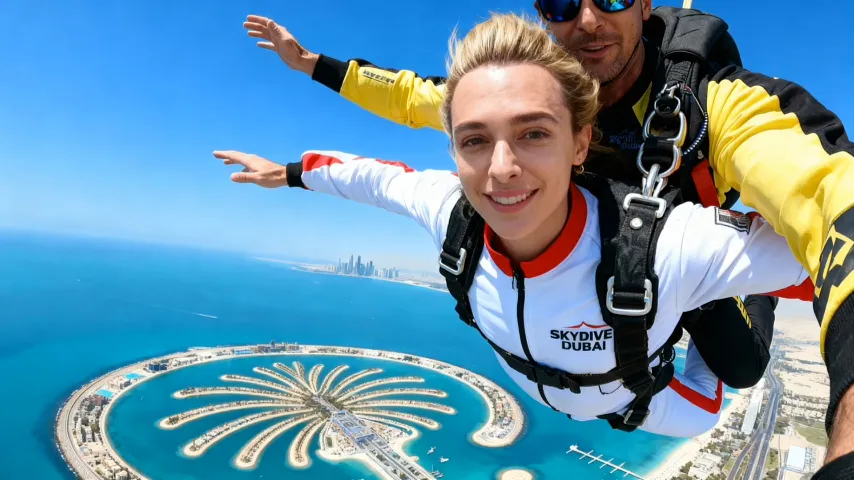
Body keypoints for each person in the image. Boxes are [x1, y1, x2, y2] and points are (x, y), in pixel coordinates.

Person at [241, 3, 854, 470]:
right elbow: (411, 101)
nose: (587, 20)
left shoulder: (716, 102)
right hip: (607, 273)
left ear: (646, 4)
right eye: (562, 1)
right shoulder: (519, 95)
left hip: (690, 254)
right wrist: (312, 68)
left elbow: (834, 200)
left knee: (742, 367)